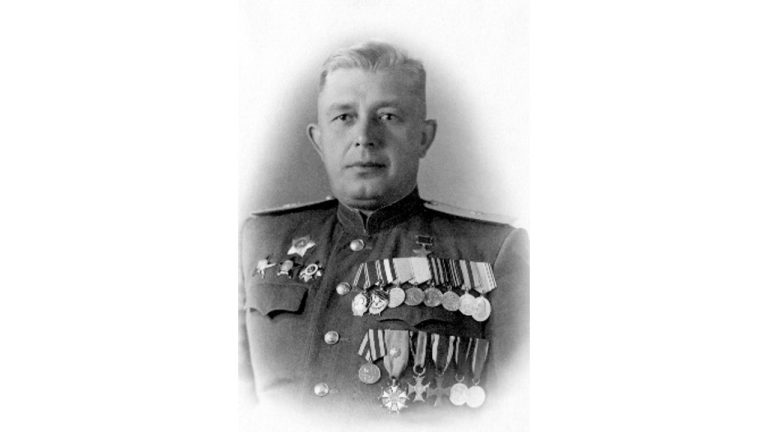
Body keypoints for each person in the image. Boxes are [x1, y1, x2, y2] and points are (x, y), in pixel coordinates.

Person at [239, 41, 528, 427]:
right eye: (344, 117)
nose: (364, 136)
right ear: (318, 139)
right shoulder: (259, 239)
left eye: (388, 116)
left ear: (423, 137)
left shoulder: (492, 251)